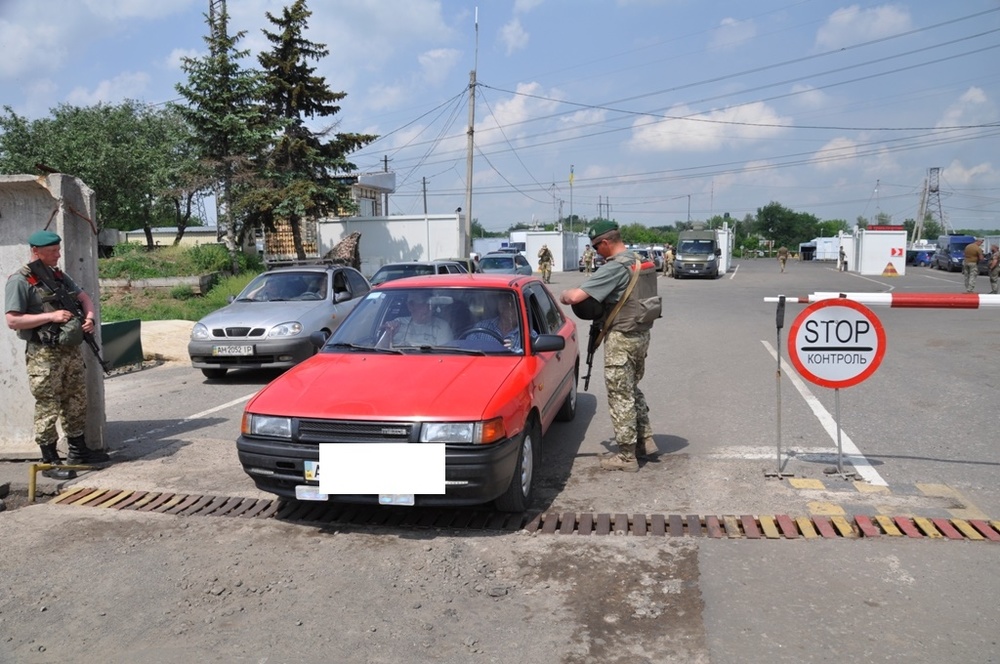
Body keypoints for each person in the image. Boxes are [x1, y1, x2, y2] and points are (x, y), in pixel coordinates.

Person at [5, 230, 109, 479]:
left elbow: (83, 298)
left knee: (76, 400)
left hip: (69, 352)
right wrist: (51, 316)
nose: (57, 255)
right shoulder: (20, 280)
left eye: (58, 250)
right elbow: (12, 320)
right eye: (52, 251)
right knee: (48, 405)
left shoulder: (58, 275)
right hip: (43, 355)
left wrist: (90, 318)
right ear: (35, 251)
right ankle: (49, 461)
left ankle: (78, 451)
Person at [559, 221, 655, 472]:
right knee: (631, 388)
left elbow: (575, 297)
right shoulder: (639, 260)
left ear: (604, 243)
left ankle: (627, 456)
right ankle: (645, 439)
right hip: (641, 334)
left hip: (621, 338)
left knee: (619, 395)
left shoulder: (615, 267)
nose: (595, 252)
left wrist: (565, 294)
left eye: (595, 247)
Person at [383, 291, 453, 346]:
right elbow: (379, 350)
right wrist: (388, 335)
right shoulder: (397, 323)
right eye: (423, 304)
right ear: (410, 306)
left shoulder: (441, 327)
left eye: (430, 305)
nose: (429, 309)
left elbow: (445, 356)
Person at [466, 294, 532, 351]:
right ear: (501, 308)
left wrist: (514, 350)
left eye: (521, 308)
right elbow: (468, 349)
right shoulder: (481, 327)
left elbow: (533, 354)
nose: (518, 311)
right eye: (513, 307)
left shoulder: (529, 333)